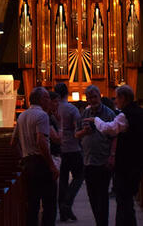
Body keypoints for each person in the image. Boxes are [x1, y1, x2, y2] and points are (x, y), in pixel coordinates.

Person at [91, 85, 143, 226]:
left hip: (126, 164)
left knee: (124, 199)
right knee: (127, 199)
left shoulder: (124, 115)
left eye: (117, 98)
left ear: (123, 98)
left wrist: (96, 120)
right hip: (141, 163)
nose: (115, 101)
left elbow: (108, 129)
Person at [16, 87, 58, 226]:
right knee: (49, 204)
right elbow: (41, 141)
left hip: (28, 162)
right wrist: (51, 165)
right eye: (47, 98)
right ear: (41, 100)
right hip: (41, 163)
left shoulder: (22, 115)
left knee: (32, 204)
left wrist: (22, 157)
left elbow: (13, 141)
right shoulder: (42, 116)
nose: (49, 101)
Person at [75, 85, 116, 226]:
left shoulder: (109, 113)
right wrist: (84, 133)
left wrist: (112, 155)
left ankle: (102, 222)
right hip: (88, 160)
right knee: (92, 195)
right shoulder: (85, 114)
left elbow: (115, 136)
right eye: (90, 98)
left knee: (102, 195)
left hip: (103, 159)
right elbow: (77, 134)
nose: (92, 100)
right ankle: (99, 221)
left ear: (100, 96)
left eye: (94, 97)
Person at [54, 83, 83, 221]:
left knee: (63, 180)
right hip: (72, 147)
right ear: (67, 93)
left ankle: (63, 212)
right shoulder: (72, 109)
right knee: (80, 175)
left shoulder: (53, 108)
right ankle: (67, 201)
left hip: (60, 149)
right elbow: (78, 128)